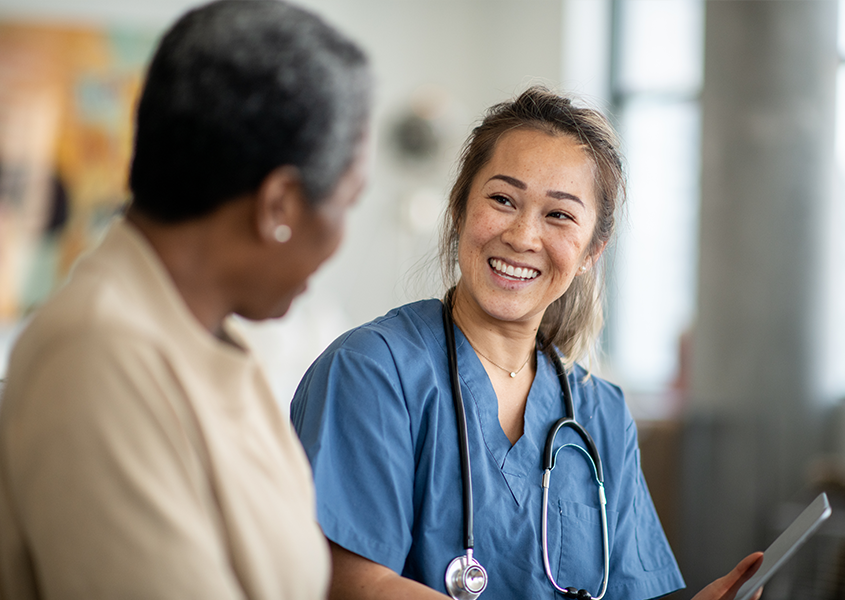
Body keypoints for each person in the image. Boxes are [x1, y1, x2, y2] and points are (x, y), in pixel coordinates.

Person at [291, 87, 762, 599]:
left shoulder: (600, 414)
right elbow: (356, 585)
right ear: (460, 211)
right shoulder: (371, 372)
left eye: (559, 215)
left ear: (590, 252)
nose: (522, 236)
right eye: (502, 200)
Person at [0, 1, 371, 598]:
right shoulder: (97, 355)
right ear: (279, 206)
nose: (342, 236)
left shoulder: (216, 343)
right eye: (347, 201)